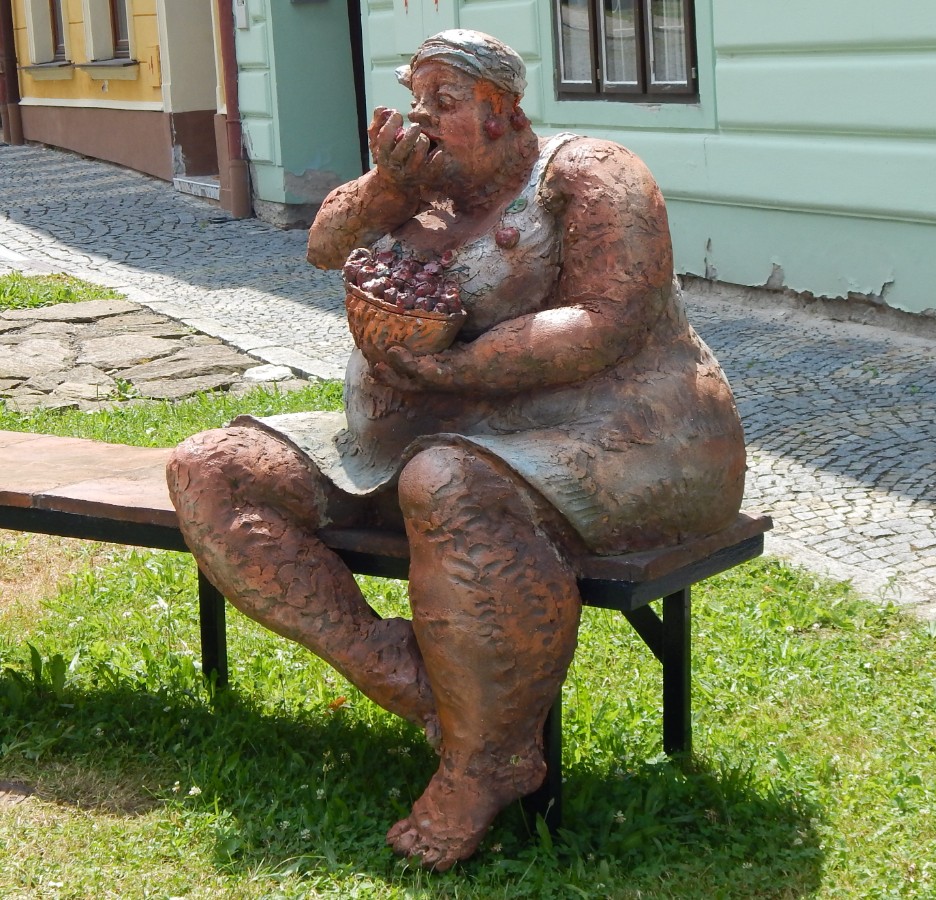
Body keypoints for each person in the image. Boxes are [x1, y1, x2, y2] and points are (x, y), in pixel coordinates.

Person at [166, 29, 745, 871]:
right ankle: (402, 677)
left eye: (446, 102)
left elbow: (608, 320)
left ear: (503, 110)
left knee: (449, 483)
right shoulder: (420, 185)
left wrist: (457, 367)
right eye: (418, 100)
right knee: (211, 469)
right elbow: (323, 243)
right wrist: (385, 188)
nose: (425, 119)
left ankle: (483, 765)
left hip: (625, 440)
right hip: (412, 444)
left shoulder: (588, 174)